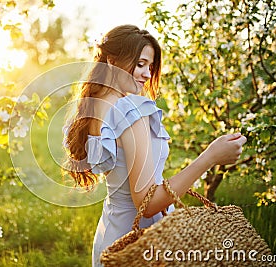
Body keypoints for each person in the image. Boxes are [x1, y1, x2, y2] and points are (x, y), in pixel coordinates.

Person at [62, 24, 247, 267]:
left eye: (150, 67)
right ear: (112, 60)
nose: (148, 74)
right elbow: (147, 204)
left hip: (111, 235)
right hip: (139, 244)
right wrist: (210, 157)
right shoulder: (130, 110)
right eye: (140, 64)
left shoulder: (92, 107)